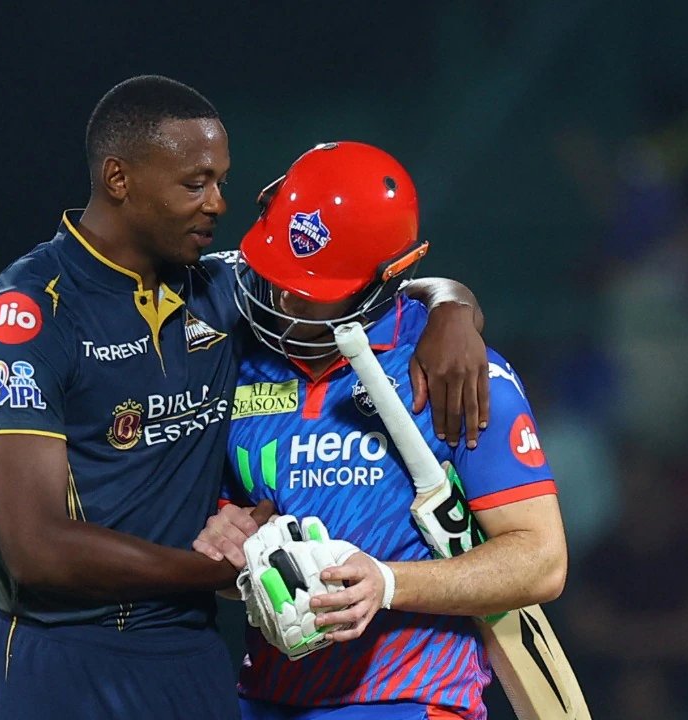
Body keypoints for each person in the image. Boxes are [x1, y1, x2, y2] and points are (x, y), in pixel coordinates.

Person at [0, 76, 490, 720]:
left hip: (193, 654)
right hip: (68, 658)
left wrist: (451, 306)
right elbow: (35, 551)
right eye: (195, 183)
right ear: (119, 179)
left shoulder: (221, 288)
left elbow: (355, 279)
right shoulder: (28, 317)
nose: (218, 203)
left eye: (221, 181)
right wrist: (227, 572)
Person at [193, 142, 568, 720]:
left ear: (385, 279)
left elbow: (541, 561)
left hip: (412, 700)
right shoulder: (234, 357)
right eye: (277, 271)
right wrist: (227, 549)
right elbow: (235, 553)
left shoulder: (453, 372)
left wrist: (387, 584)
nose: (284, 294)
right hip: (264, 699)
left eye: (312, 289)